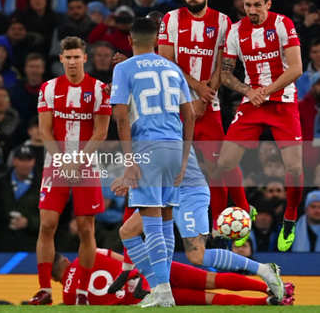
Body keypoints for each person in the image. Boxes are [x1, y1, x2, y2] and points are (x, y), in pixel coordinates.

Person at [109, 149, 288, 304]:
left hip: (187, 191)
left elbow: (165, 159)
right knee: (127, 231)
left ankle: (264, 270)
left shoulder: (164, 121)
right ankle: (158, 293)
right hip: (164, 191)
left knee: (197, 255)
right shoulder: (145, 122)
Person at [158, 0, 251, 241]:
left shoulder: (222, 22)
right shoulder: (171, 19)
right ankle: (167, 229)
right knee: (171, 169)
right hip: (174, 104)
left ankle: (220, 225)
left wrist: (203, 98)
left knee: (217, 166)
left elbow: (224, 65)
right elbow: (167, 62)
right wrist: (196, 90)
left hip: (208, 105)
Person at [110, 17, 194, 307]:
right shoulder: (172, 67)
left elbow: (121, 117)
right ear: (157, 40)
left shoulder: (123, 68)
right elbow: (191, 114)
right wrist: (184, 159)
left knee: (152, 222)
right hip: (174, 146)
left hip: (147, 146)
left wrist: (129, 161)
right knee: (166, 221)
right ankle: (162, 289)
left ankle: (162, 292)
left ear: (130, 41)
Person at [219, 0, 304, 251]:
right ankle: (245, 212)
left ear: (268, 4)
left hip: (282, 100)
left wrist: (265, 91)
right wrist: (248, 90)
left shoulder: (282, 24)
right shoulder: (235, 30)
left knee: (294, 168)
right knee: (224, 163)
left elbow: (297, 68)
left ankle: (289, 217)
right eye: (247, 5)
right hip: (253, 100)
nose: (252, 10)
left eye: (257, 5)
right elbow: (225, 73)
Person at [30, 36, 111, 305]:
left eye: (77, 57)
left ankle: (82, 293)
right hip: (55, 164)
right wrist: (63, 160)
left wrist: (77, 161)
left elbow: (101, 132)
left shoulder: (99, 90)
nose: (73, 62)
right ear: (61, 59)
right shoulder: (49, 88)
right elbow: (45, 130)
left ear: (85, 59)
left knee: (86, 229)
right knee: (47, 225)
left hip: (86, 165)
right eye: (68, 57)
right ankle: (45, 290)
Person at [54, 250, 293, 306]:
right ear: (64, 259)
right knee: (212, 279)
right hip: (154, 272)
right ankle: (269, 287)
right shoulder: (89, 254)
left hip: (148, 298)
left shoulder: (69, 299)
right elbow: (124, 261)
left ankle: (266, 303)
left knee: (209, 299)